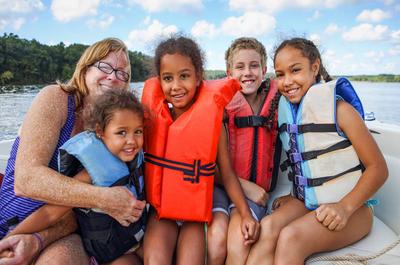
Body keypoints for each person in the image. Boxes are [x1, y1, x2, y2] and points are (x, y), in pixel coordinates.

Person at [0, 37, 143, 265]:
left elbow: (74, 212)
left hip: (62, 230)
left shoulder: (111, 134)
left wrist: (38, 239)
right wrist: (105, 198)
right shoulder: (56, 98)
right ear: (85, 68)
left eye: (122, 73)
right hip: (10, 220)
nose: (113, 77)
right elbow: (26, 181)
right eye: (105, 67)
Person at [249, 37, 388, 265]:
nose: (287, 81)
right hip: (306, 201)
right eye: (280, 74)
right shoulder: (289, 112)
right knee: (268, 226)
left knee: (290, 238)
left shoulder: (341, 110)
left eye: (295, 70)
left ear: (315, 67)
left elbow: (379, 169)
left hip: (355, 210)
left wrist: (344, 207)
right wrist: (295, 194)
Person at [141, 35, 260, 265]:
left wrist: (246, 214)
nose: (176, 86)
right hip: (160, 212)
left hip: (193, 216)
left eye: (184, 76)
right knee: (155, 260)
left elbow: (227, 174)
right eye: (167, 78)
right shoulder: (149, 120)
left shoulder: (211, 123)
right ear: (159, 81)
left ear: (198, 78)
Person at [207, 37, 281, 265]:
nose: (247, 72)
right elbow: (203, 164)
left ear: (265, 70)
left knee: (240, 241)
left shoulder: (279, 101)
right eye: (240, 67)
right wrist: (245, 187)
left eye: (254, 65)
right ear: (229, 72)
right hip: (219, 187)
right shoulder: (218, 104)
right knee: (217, 241)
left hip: (253, 196)